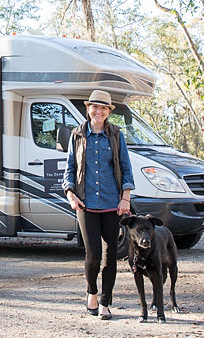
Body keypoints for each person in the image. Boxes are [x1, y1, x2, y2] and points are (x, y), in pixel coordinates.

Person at [62, 89, 135, 321]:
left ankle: (105, 301)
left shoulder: (116, 135)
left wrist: (125, 198)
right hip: (85, 204)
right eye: (95, 107)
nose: (98, 111)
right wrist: (71, 194)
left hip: (112, 204)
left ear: (108, 112)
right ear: (88, 109)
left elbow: (126, 169)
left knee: (110, 255)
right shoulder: (77, 135)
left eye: (103, 108)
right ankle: (91, 292)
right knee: (92, 255)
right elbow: (69, 170)